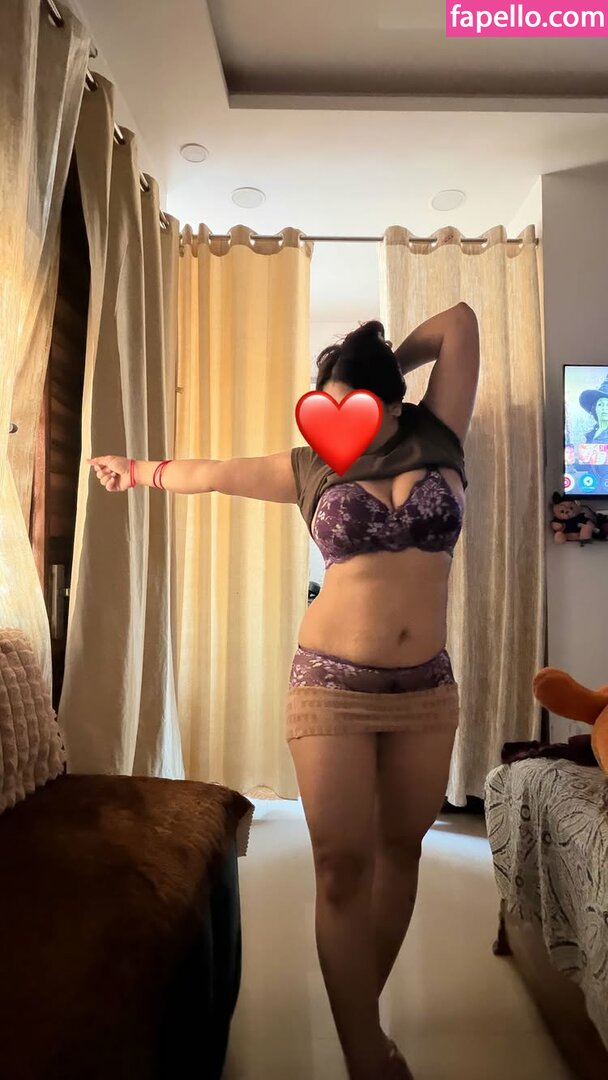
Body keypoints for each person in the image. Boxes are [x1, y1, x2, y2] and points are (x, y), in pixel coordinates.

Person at [88, 301, 480, 1080]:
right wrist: (137, 471)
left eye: (354, 405)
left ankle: (360, 1009)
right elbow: (213, 474)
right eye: (327, 407)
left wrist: (384, 363)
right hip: (330, 684)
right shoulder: (311, 465)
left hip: (426, 689)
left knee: (401, 849)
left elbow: (461, 323)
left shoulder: (440, 432)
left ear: (391, 403)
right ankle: (363, 1052)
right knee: (342, 864)